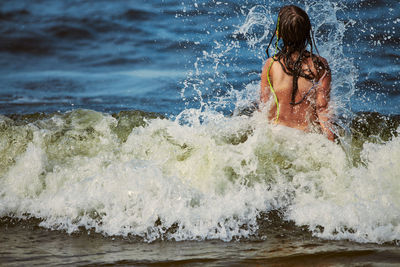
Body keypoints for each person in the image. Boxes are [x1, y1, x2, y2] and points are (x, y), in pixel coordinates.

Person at [260, 5, 334, 141]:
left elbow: (264, 105)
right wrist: (331, 141)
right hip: (305, 137)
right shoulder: (320, 66)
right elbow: (322, 108)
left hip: (277, 133)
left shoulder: (271, 65)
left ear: (278, 33)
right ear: (308, 33)